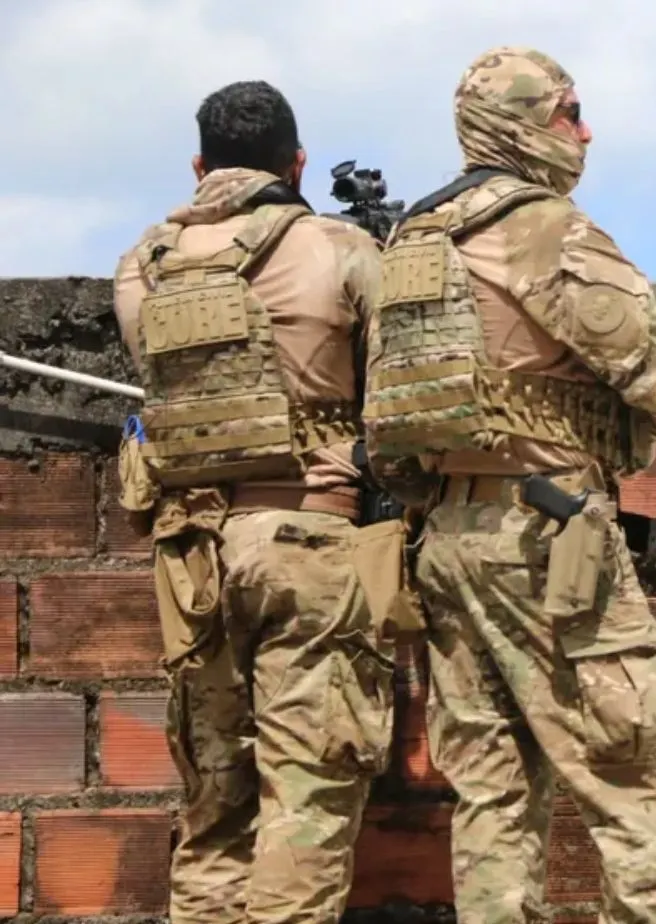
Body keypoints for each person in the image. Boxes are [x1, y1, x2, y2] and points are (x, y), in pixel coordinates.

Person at [359, 46, 656, 924]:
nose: (584, 132)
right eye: (567, 112)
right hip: (546, 541)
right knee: (633, 777)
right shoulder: (548, 228)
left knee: (493, 796)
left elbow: (385, 424)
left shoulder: (413, 241)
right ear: (523, 125)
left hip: (445, 544)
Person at [111, 79, 394, 924]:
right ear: (297, 163)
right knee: (305, 806)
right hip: (309, 541)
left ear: (200, 165)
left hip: (191, 555)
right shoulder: (342, 248)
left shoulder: (145, 262)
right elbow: (397, 394)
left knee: (215, 813)